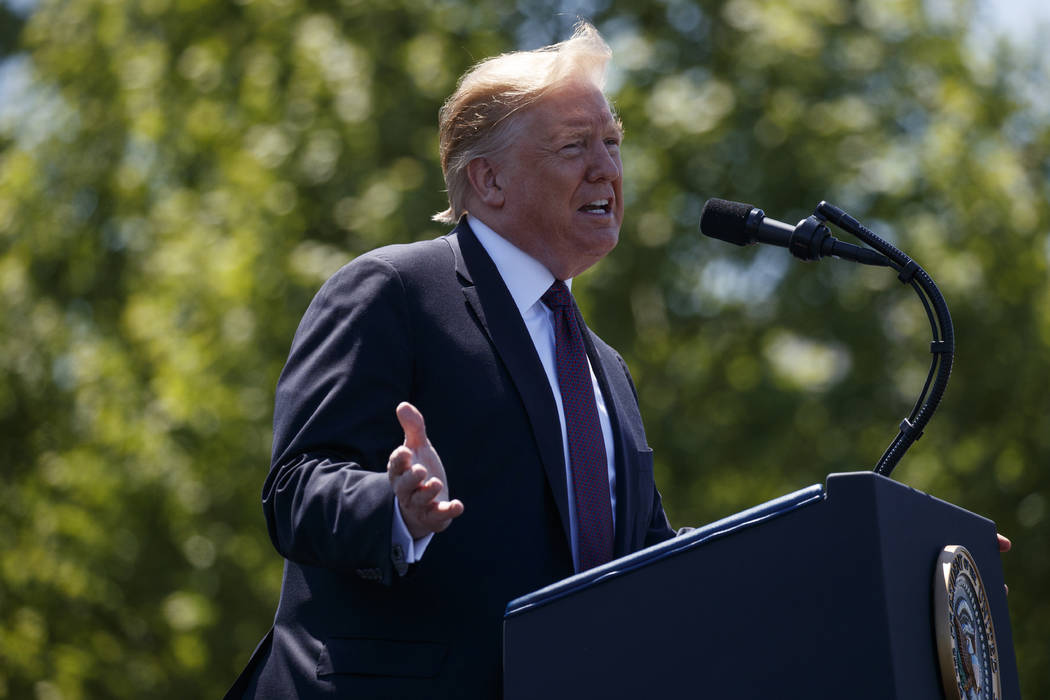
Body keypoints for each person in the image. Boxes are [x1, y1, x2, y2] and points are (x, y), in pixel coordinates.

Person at [225, 21, 678, 699]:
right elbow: (296, 489)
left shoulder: (605, 368)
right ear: (488, 180)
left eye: (612, 143)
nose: (606, 168)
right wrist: (395, 508)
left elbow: (646, 557)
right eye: (574, 146)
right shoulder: (394, 293)